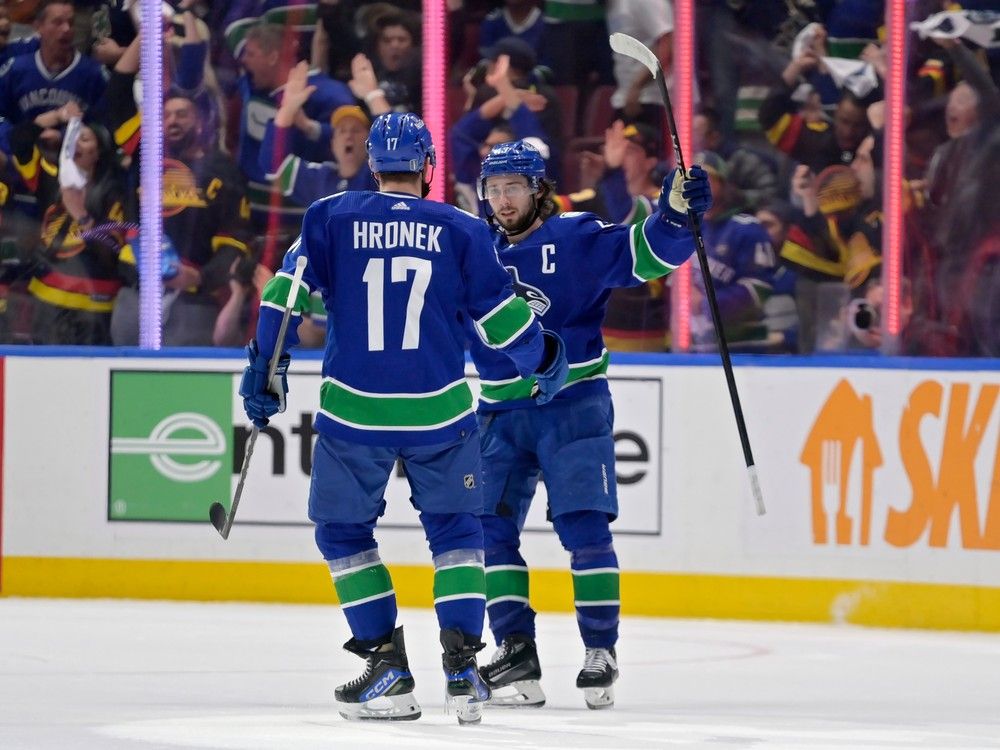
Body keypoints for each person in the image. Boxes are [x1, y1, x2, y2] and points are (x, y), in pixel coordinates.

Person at [238, 113, 569, 725]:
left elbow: (284, 300)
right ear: (427, 167)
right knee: (458, 534)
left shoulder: (329, 215)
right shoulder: (464, 228)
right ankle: (465, 669)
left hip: (354, 411)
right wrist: (545, 357)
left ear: (372, 165)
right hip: (441, 410)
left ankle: (386, 669)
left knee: (342, 535)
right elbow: (502, 323)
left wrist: (265, 368)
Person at [469, 140, 711, 709]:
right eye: (494, 190)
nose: (503, 201)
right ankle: (516, 654)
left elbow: (646, 256)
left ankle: (600, 650)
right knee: (488, 532)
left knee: (584, 530)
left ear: (537, 189)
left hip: (573, 404)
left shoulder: (573, 236)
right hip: (500, 413)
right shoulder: (475, 250)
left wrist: (675, 214)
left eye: (513, 188)